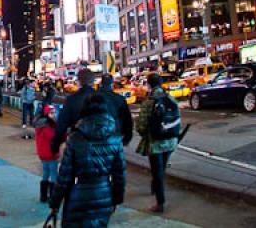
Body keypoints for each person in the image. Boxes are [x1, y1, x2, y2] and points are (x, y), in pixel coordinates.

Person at [49, 94, 126, 227]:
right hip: (104, 194)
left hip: (78, 195)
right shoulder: (115, 139)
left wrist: (55, 203)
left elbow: (64, 176)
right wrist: (117, 199)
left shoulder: (75, 138)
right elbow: (119, 175)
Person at [136, 73, 179, 214]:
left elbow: (141, 126)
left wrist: (147, 134)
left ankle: (160, 203)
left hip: (155, 143)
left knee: (157, 171)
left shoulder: (149, 102)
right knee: (161, 169)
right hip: (171, 141)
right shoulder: (171, 98)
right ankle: (155, 187)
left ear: (149, 85)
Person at [51, 69, 98, 155]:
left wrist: (55, 144)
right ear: (93, 82)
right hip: (100, 145)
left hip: (79, 144)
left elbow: (62, 124)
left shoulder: (72, 99)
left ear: (79, 82)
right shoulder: (102, 98)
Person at [97, 75, 134, 146]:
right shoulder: (120, 98)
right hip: (115, 134)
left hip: (97, 135)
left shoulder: (92, 98)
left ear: (101, 84)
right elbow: (127, 119)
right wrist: (128, 136)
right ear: (112, 84)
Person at [34, 105, 60, 203]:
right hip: (51, 153)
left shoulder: (39, 124)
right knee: (53, 174)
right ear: (46, 114)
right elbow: (54, 137)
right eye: (51, 113)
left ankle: (43, 196)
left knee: (45, 173)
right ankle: (52, 197)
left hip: (43, 154)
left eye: (54, 112)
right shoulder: (47, 125)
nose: (54, 115)